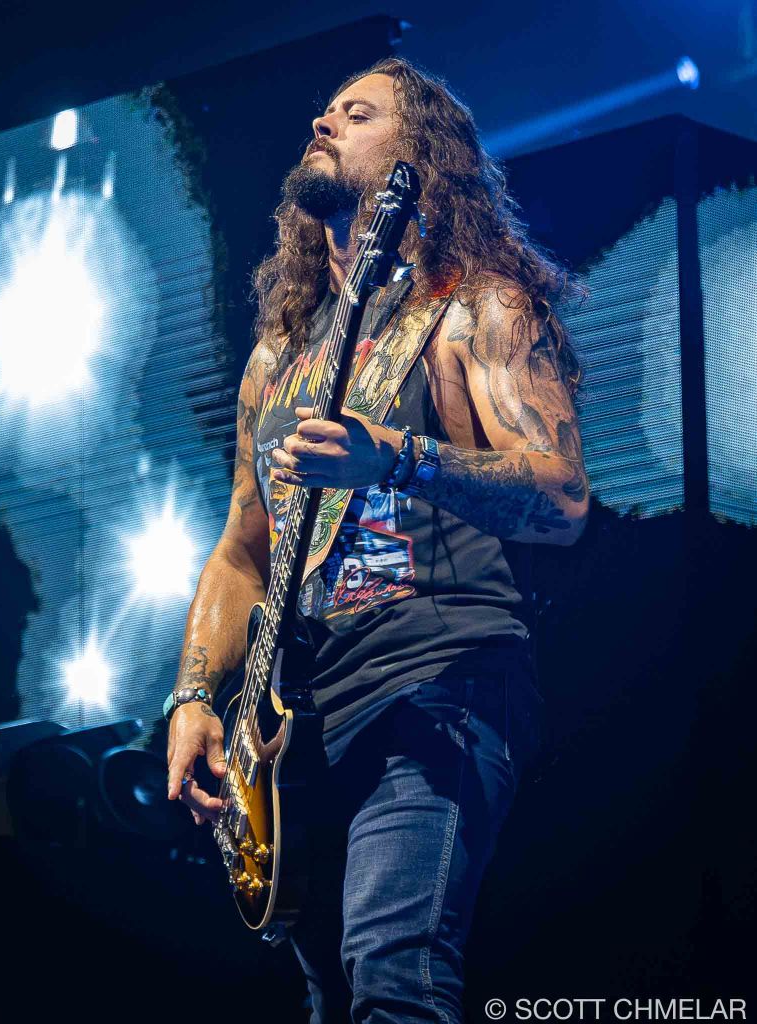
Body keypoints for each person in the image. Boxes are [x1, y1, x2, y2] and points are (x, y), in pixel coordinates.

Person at [166, 57, 589, 1024]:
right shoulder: (277, 360)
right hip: (299, 723)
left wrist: (398, 458)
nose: (323, 122)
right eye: (323, 112)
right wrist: (192, 696)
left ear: (418, 158)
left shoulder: (474, 307)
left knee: (394, 972)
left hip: (436, 683)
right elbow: (240, 553)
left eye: (356, 114)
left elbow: (561, 497)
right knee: (331, 997)